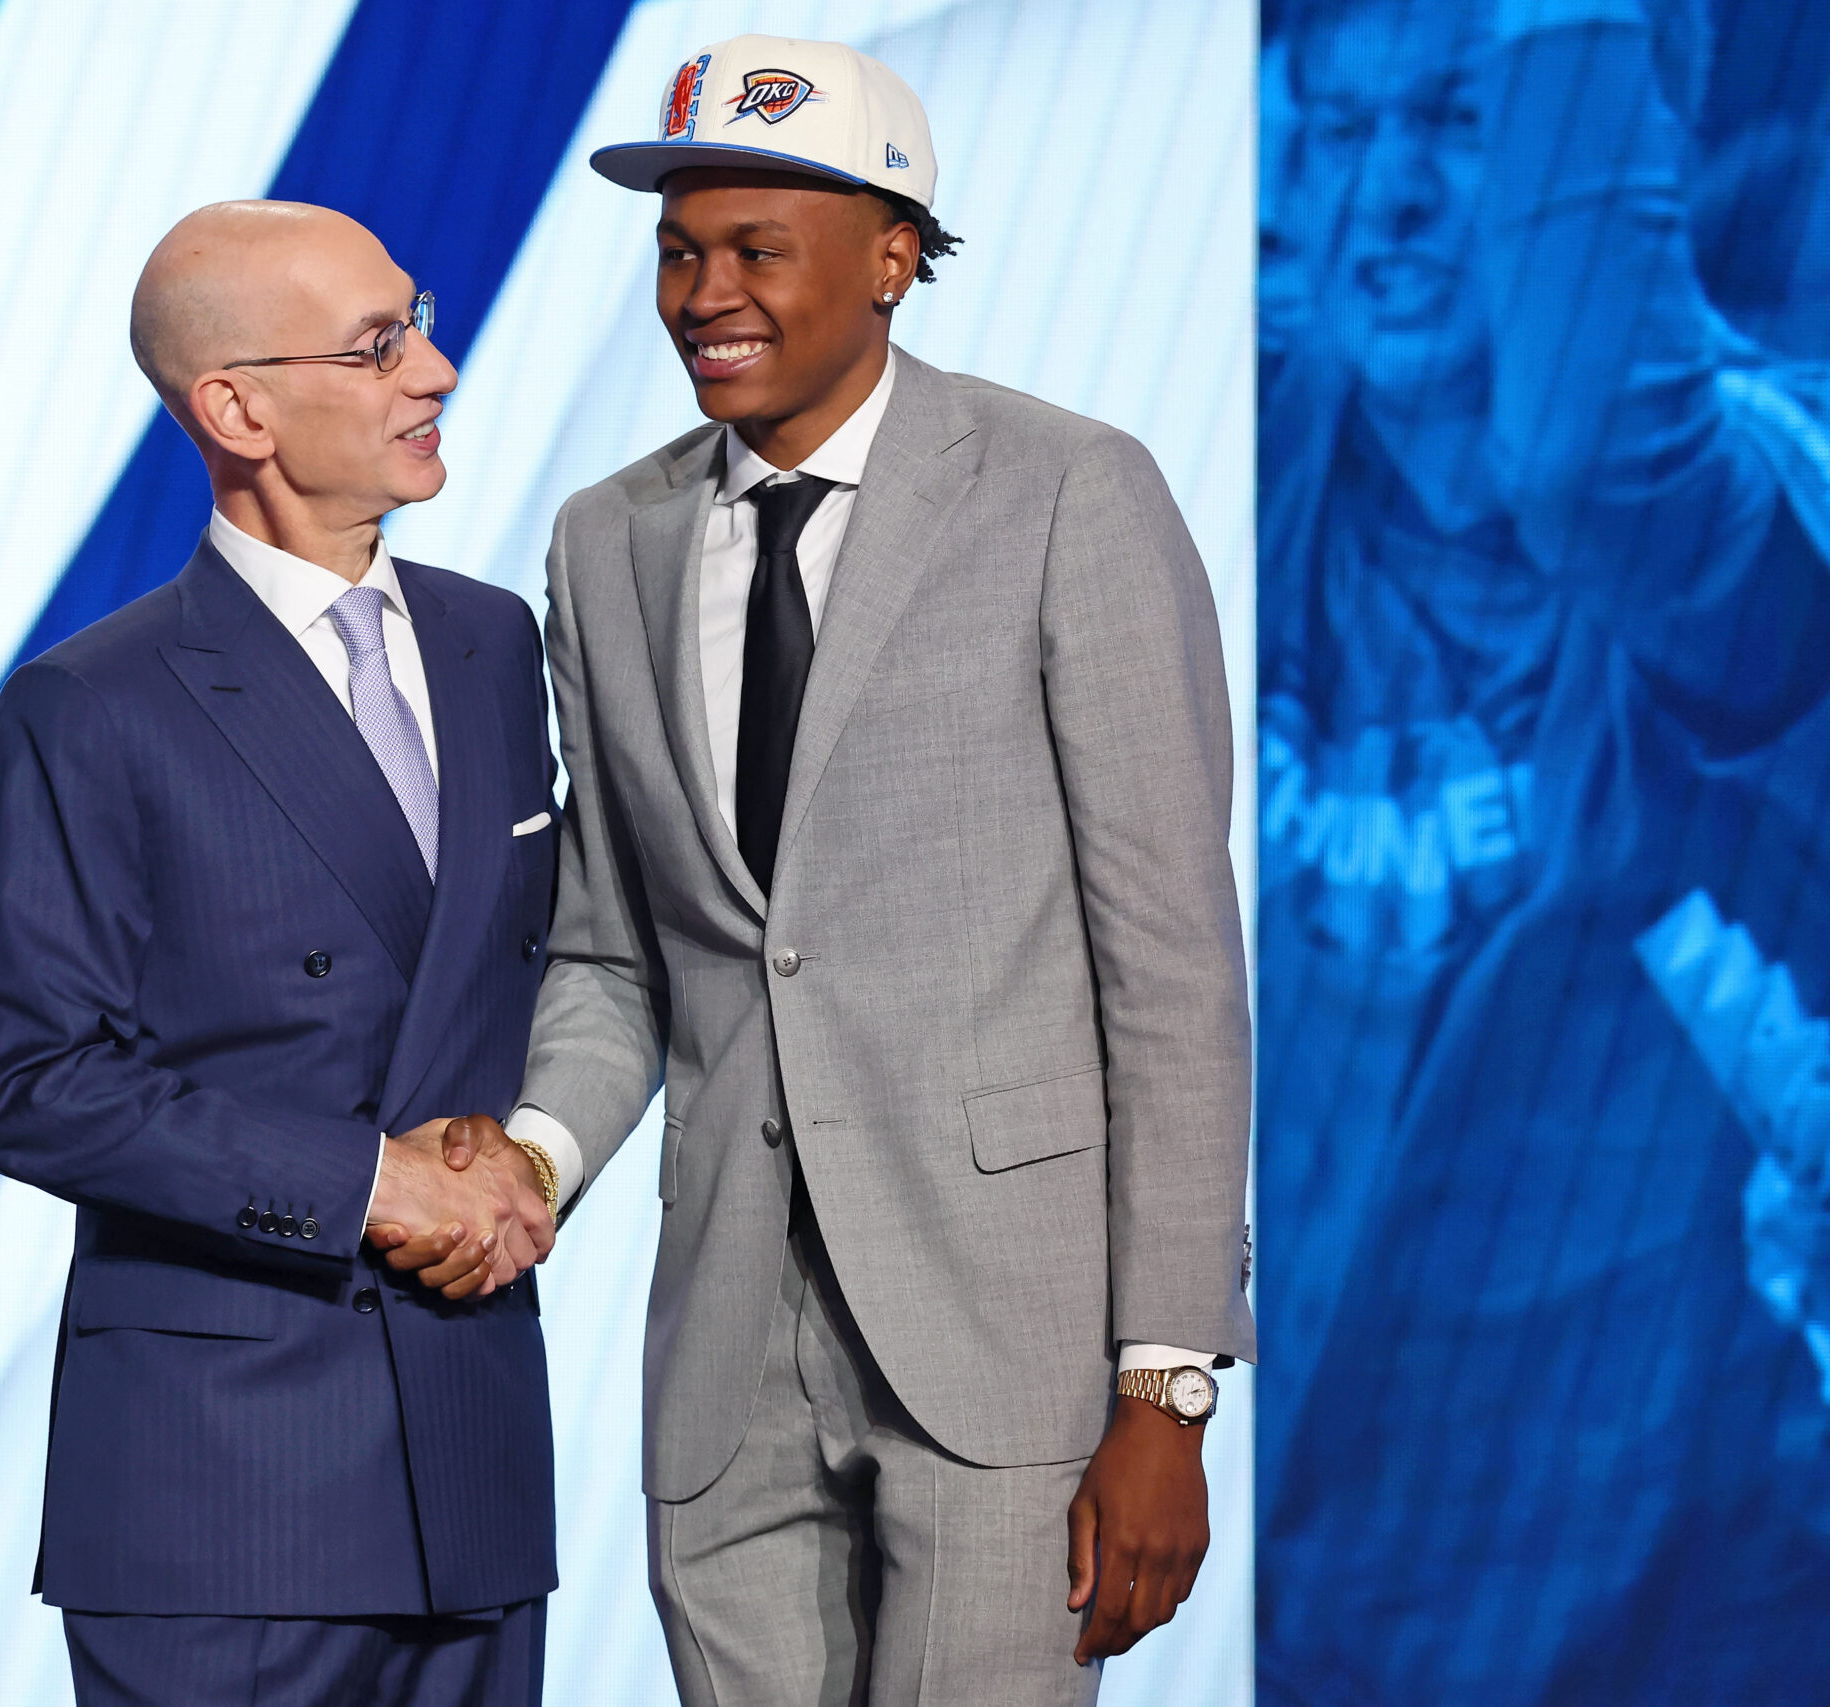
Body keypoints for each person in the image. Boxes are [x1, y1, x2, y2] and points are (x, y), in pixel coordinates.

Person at [441, 35, 1256, 1704]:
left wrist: (1165, 1383)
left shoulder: (1067, 492)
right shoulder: (610, 538)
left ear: (893, 259)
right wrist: (529, 1155)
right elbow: (614, 951)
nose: (702, 293)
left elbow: (1168, 964)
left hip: (1004, 1343)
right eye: (678, 252)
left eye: (754, 249)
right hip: (726, 1344)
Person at [1255, 1, 1830, 1699]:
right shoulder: (1258, 451)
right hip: (1279, 1563)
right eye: (1348, 137)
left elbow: (1596, 447)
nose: (1395, 199)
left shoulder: (1736, 498)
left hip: (1605, 1595)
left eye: (1456, 123)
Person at [0, 201, 566, 1707]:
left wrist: (528, 1163)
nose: (436, 368)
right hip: (224, 1483)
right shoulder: (95, 701)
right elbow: (33, 1081)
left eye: (416, 319)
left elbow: (574, 964)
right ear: (234, 408)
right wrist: (371, 1184)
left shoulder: (500, 650)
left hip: (473, 1446)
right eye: (379, 346)